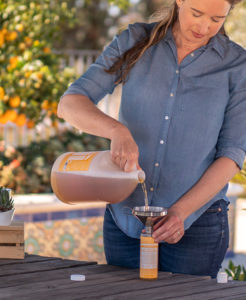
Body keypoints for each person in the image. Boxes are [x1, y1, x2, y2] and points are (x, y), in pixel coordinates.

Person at [58, 0, 246, 278]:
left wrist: (181, 212)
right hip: (126, 220)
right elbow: (70, 104)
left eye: (217, 19)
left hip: (196, 226)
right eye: (196, 13)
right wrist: (116, 131)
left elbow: (232, 155)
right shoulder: (135, 42)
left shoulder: (237, 65)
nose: (204, 26)